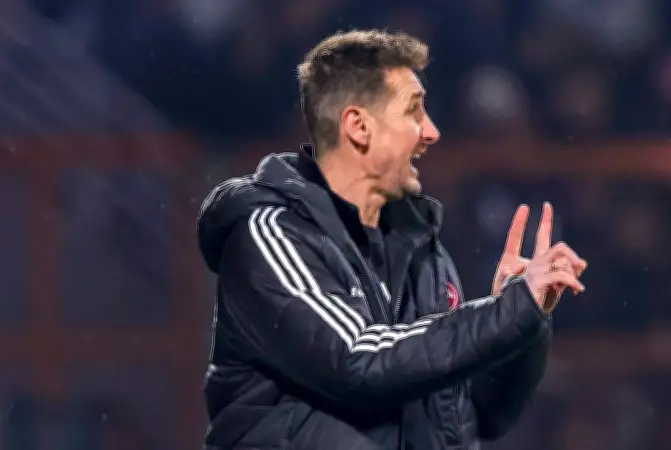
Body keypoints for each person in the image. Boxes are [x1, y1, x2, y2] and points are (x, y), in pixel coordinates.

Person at [197, 29, 588, 450]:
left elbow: (474, 416)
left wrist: (523, 317)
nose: (431, 131)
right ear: (358, 126)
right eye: (414, 111)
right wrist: (505, 312)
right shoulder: (272, 235)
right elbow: (357, 361)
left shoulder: (423, 254)